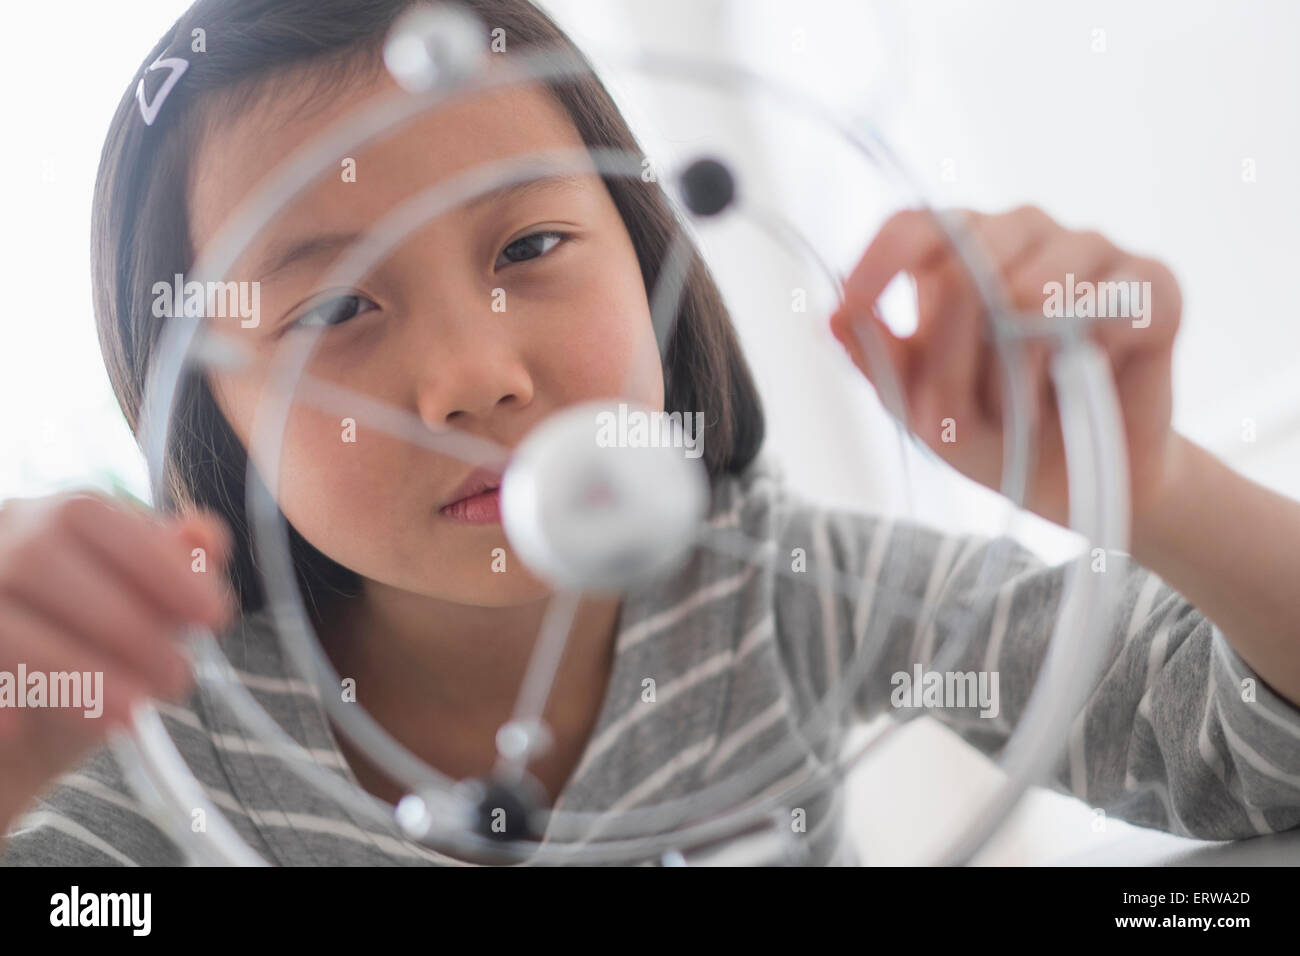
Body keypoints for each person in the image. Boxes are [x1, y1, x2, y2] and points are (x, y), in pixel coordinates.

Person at [2, 0, 1299, 866]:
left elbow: (1246, 755)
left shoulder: (782, 589)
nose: (474, 374)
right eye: (335, 306)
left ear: (649, 257)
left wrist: (1162, 489)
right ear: (206, 409)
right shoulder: (162, 744)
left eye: (532, 245)